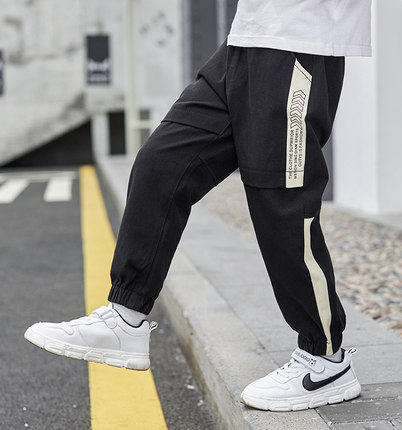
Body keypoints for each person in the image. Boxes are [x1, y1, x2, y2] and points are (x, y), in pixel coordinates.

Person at [25, 0, 372, 412]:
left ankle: (326, 359)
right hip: (244, 41)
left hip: (299, 43)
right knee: (162, 163)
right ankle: (126, 317)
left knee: (281, 205)